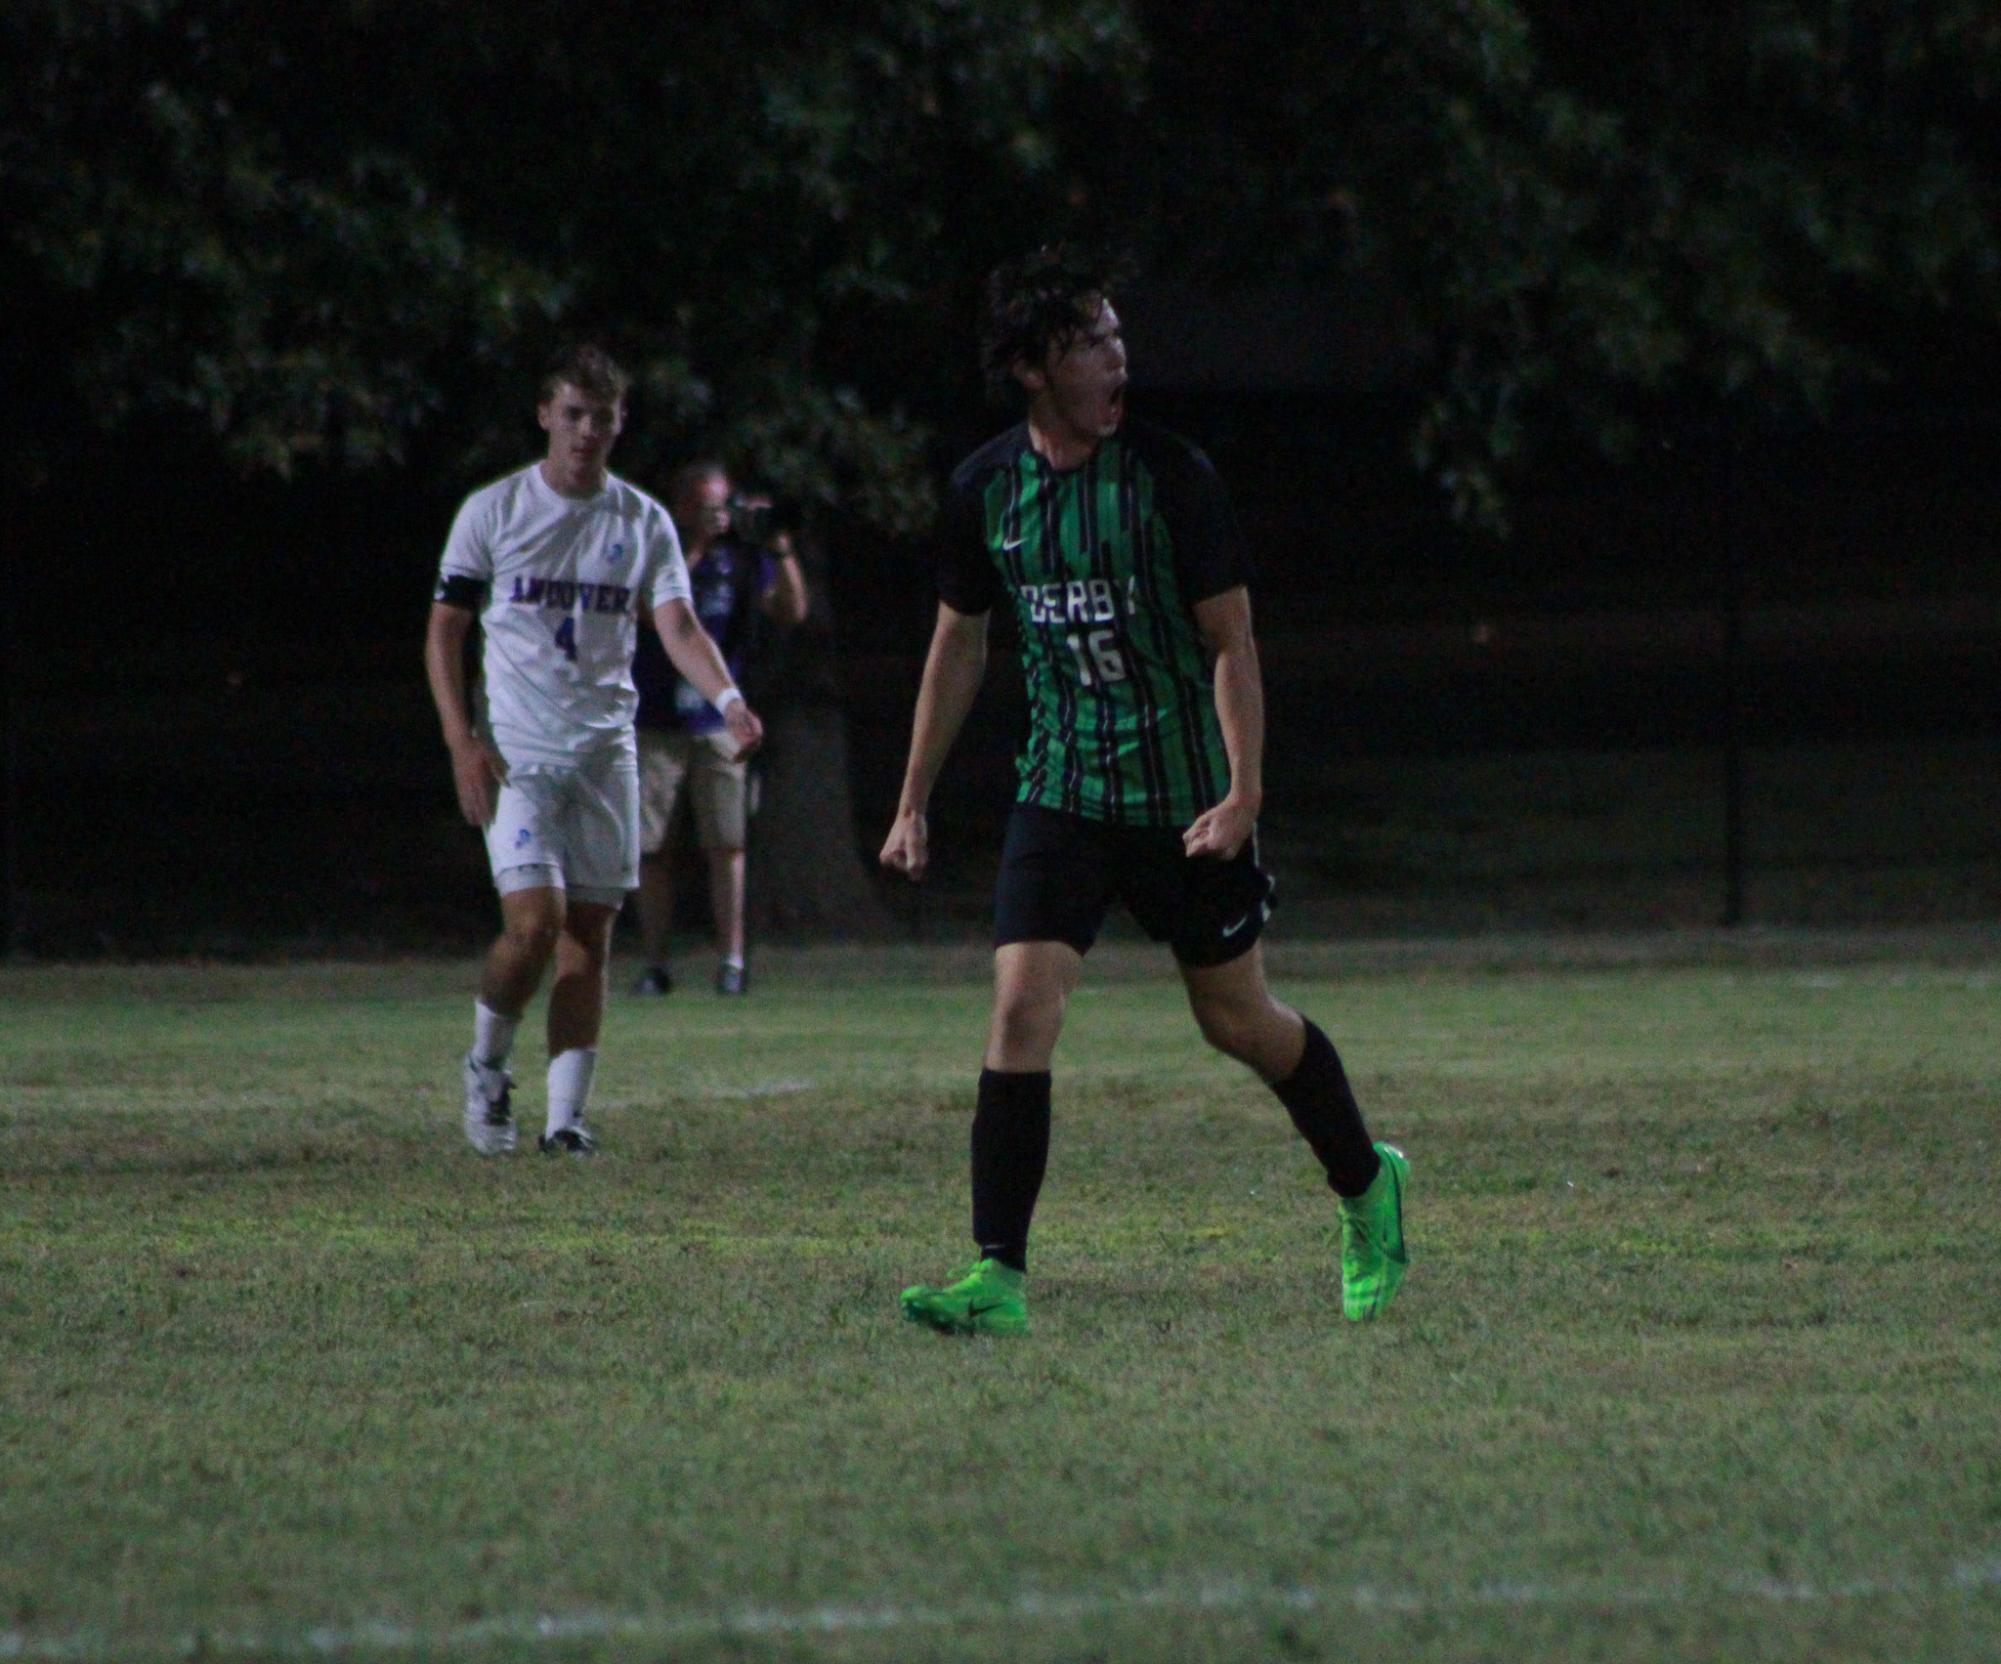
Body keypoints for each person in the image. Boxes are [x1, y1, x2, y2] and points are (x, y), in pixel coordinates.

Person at [879, 246, 1409, 1333]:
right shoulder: (988, 490)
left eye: (1121, 337)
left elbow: (1233, 642)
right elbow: (959, 646)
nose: (1120, 358)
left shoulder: (1172, 478)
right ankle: (998, 1277)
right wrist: (912, 797)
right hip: (1064, 789)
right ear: (1033, 368)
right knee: (1021, 1004)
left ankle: (1367, 1183)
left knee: (1239, 1022)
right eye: (1092, 343)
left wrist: (1244, 793)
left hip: (1183, 800)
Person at [425, 345, 763, 1157]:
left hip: (607, 750)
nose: (584, 432)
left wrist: (729, 700)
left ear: (618, 425)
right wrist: (460, 740)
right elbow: (445, 630)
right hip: (518, 754)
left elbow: (678, 625)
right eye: (572, 415)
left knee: (591, 935)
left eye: (601, 418)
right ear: (546, 415)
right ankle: (486, 1067)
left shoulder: (641, 519)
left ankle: (566, 1120)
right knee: (532, 926)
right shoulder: (494, 510)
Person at [628, 461, 808, 997]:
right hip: (657, 716)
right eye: (707, 506)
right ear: (683, 506)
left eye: (723, 506)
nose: (718, 517)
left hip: (718, 719)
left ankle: (731, 962)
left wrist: (777, 542)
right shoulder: (659, 548)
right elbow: (646, 611)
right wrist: (697, 547)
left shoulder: (744, 560)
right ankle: (656, 963)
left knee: (727, 843)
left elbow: (792, 610)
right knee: (651, 846)